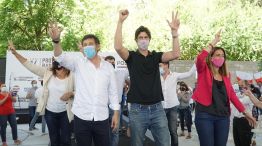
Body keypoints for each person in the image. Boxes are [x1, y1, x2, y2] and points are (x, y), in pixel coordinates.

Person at [114, 9, 180, 146]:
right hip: (137, 111)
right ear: (136, 40)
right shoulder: (131, 57)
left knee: (165, 143)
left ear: (149, 40)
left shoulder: (156, 56)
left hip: (157, 109)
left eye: (146, 37)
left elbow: (175, 53)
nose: (143, 40)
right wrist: (120, 22)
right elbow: (118, 47)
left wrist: (174, 34)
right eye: (140, 38)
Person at [49, 23, 120, 146]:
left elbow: (113, 92)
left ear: (98, 46)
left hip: (102, 118)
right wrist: (56, 41)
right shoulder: (78, 63)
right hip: (81, 118)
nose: (87, 47)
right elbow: (60, 57)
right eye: (85, 45)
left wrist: (116, 114)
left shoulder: (108, 67)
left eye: (90, 44)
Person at [192, 30, 256, 146]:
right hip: (205, 115)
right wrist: (214, 42)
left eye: (222, 56)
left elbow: (232, 96)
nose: (220, 57)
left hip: (223, 117)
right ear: (211, 57)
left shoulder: (226, 76)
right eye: (217, 55)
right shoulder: (203, 70)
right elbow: (200, 58)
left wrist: (246, 113)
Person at [8, 41, 74, 146]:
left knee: (66, 140)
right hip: (50, 113)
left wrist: (71, 93)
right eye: (55, 66)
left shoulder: (72, 76)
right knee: (54, 139)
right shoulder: (47, 73)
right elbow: (29, 65)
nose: (58, 69)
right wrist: (15, 53)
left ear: (65, 65)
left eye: (60, 66)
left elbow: (80, 91)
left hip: (65, 113)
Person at [159, 62, 196, 146]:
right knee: (161, 131)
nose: (159, 67)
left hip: (172, 108)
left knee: (173, 131)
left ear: (166, 65)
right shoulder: (157, 76)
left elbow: (189, 74)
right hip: (160, 108)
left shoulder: (175, 75)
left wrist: (195, 63)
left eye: (160, 65)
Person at [105, 55, 129, 146]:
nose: (111, 64)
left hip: (116, 108)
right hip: (103, 107)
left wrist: (128, 90)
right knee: (103, 131)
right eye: (108, 63)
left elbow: (132, 80)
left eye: (113, 62)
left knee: (115, 131)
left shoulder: (121, 73)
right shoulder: (99, 76)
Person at [232, 80, 255, 146]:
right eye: (239, 86)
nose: (240, 88)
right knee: (237, 142)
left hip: (245, 120)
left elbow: (239, 103)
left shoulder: (249, 96)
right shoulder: (239, 95)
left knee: (245, 143)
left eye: (242, 86)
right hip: (236, 120)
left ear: (247, 86)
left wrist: (234, 95)